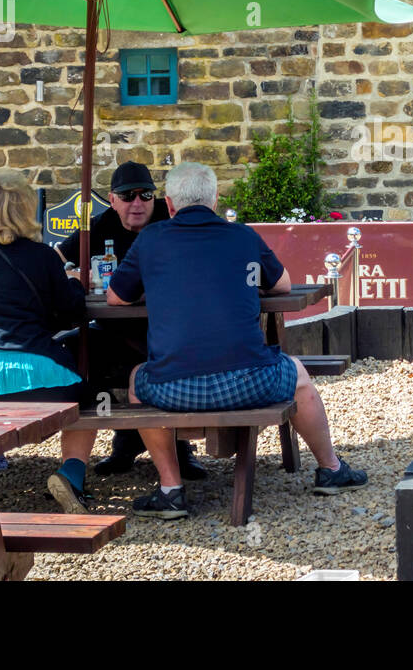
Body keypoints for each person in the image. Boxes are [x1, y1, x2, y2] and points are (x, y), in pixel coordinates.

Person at [106, 162, 368, 519]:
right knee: (298, 376)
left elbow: (116, 299)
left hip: (173, 388)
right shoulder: (243, 236)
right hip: (248, 383)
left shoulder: (150, 239)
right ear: (215, 200)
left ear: (168, 204)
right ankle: (331, 470)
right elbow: (283, 285)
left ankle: (171, 490)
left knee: (137, 380)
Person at [0, 170, 94, 500]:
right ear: (26, 210)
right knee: (92, 395)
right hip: (37, 376)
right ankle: (71, 474)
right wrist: (73, 284)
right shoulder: (41, 256)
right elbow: (71, 312)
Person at [54, 161, 204, 481]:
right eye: (127, 195)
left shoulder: (171, 220)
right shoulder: (98, 226)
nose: (137, 203)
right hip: (117, 332)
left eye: (145, 195)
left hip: (170, 334)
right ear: (112, 200)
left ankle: (177, 447)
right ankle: (119, 443)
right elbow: (55, 260)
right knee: (78, 354)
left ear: (158, 198)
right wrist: (69, 274)